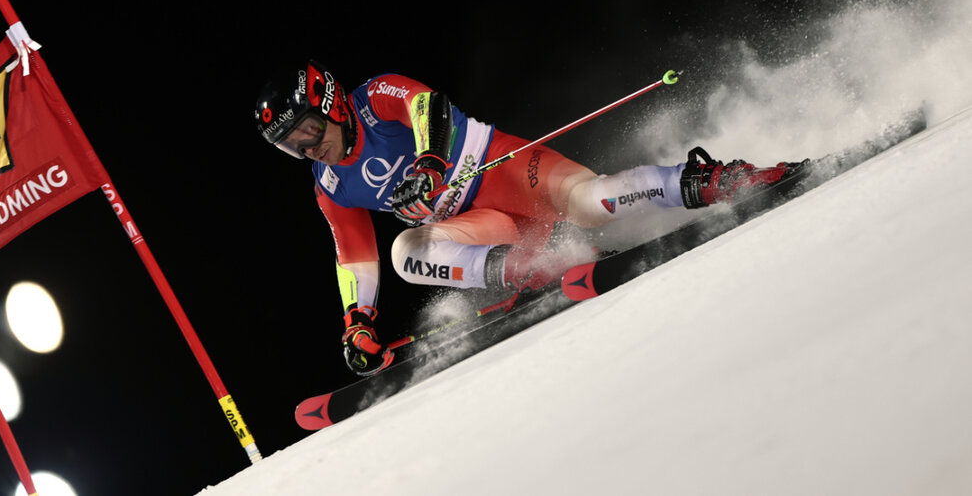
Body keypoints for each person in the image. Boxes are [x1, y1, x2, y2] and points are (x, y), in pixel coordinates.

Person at [254, 60, 799, 376]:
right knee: (405, 253)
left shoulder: (375, 96)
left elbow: (430, 108)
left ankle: (711, 180)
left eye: (306, 130)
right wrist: (359, 321)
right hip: (484, 225)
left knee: (591, 204)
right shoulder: (329, 186)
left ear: (330, 103)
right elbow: (354, 256)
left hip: (509, 171)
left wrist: (429, 161)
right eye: (290, 147)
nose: (307, 149)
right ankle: (532, 268)